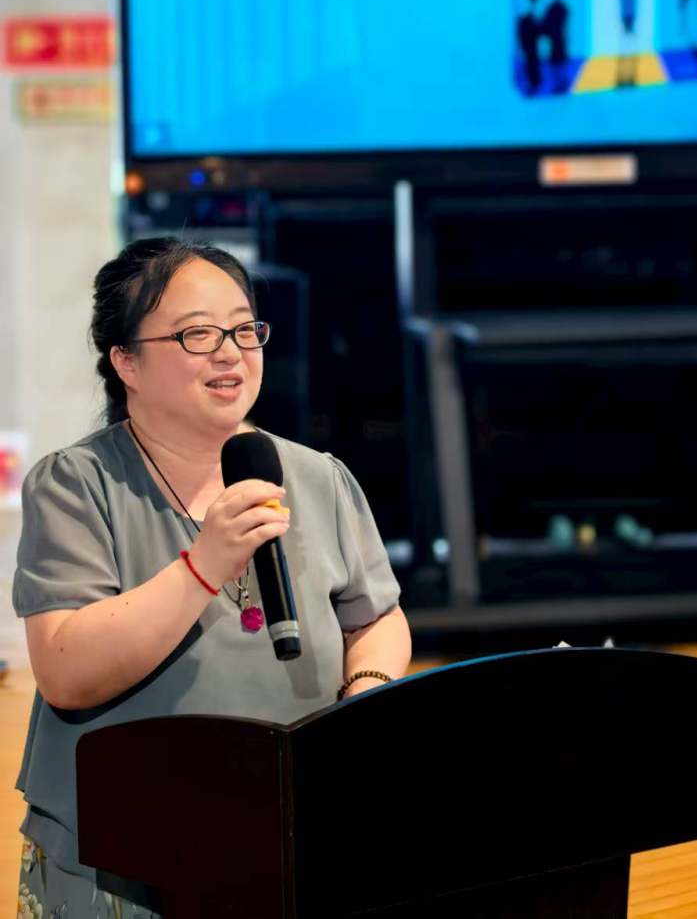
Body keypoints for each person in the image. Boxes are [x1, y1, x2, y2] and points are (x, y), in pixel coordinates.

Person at [13, 237, 410, 916]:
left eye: (243, 329)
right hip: (124, 856)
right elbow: (65, 672)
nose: (230, 352)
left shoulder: (316, 476)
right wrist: (203, 565)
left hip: (293, 832)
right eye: (197, 334)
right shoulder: (76, 484)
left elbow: (374, 617)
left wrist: (362, 698)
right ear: (126, 361)